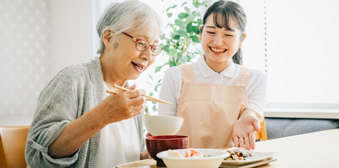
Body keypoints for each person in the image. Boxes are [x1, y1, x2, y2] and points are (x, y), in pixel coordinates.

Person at [25, 1, 163, 167]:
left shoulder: (131, 95)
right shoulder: (73, 79)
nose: (148, 56)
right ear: (109, 38)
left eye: (154, 47)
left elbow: (126, 157)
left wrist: (154, 153)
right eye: (141, 43)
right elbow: (37, 155)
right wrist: (103, 115)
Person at [158, 0, 267, 150]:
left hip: (233, 164)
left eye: (228, 34)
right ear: (200, 33)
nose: (217, 42)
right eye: (210, 32)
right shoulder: (175, 76)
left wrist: (248, 117)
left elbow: (253, 111)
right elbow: (165, 132)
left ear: (242, 39)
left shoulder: (255, 78)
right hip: (184, 163)